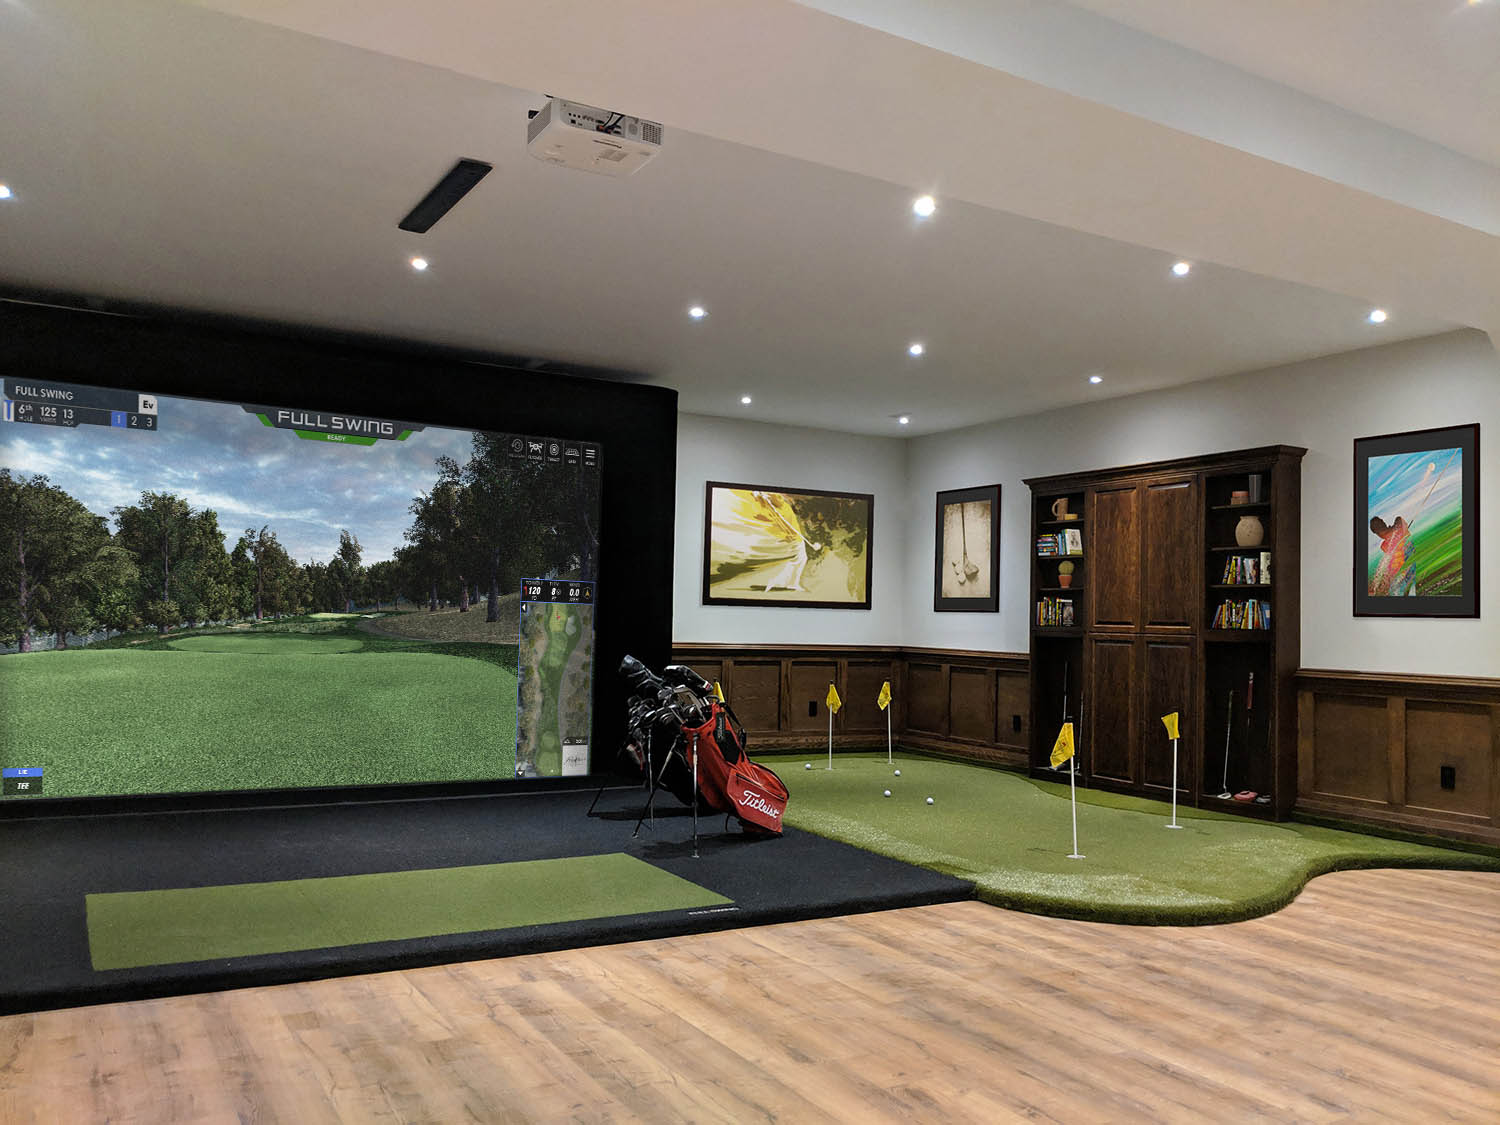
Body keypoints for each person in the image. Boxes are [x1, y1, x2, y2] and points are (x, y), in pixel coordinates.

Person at [1369, 515, 1415, 596]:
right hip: (1402, 570)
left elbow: (1399, 520)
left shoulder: (1385, 545)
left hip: (1402, 571)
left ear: (1376, 533)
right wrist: (1391, 529)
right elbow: (1399, 520)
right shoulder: (1398, 529)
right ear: (1383, 522)